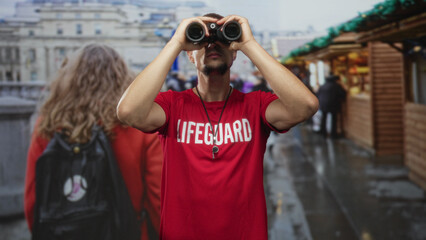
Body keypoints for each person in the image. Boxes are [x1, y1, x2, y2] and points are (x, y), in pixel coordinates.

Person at [117, 13, 318, 240]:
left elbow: (306, 106)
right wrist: (175, 42)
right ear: (191, 56)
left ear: (234, 54)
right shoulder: (172, 105)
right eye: (202, 41)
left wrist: (249, 44)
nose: (212, 44)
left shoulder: (256, 105)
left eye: (222, 41)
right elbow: (128, 112)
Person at [24, 43, 163, 240]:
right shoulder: (139, 123)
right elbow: (159, 198)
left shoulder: (47, 125)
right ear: (123, 78)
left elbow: (34, 201)